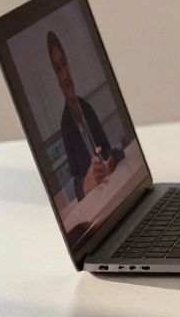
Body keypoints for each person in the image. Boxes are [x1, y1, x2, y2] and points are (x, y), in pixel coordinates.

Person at [48, 30, 123, 199]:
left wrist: (111, 159)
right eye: (58, 69)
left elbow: (108, 149)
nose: (65, 75)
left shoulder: (86, 108)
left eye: (64, 64)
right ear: (55, 78)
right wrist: (85, 184)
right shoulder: (65, 126)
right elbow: (70, 185)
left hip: (113, 190)